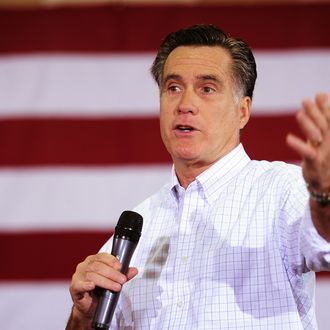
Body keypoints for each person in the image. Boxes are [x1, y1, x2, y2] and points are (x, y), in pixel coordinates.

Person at [66, 24, 330, 329]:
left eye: (207, 89)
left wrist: (324, 194)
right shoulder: (138, 224)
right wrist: (82, 317)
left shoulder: (283, 189)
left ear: (242, 111)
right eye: (173, 87)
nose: (185, 105)